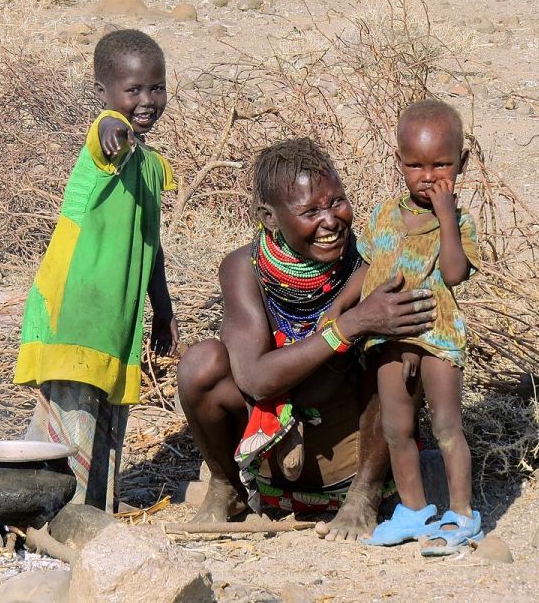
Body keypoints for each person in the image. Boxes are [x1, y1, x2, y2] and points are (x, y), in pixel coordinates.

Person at [177, 138, 436, 541]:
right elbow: (255, 380)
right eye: (310, 211)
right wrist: (349, 326)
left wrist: (369, 325)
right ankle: (229, 488)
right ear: (268, 217)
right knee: (200, 363)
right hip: (272, 456)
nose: (330, 221)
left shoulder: (370, 259)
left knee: (398, 348)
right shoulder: (244, 269)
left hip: (349, 453)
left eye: (336, 202)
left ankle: (364, 497)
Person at [13, 29, 180, 513]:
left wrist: (163, 308)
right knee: (70, 420)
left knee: (107, 419)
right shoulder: (106, 146)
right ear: (102, 93)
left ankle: (93, 514)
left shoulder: (148, 165)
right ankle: (48, 513)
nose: (147, 100)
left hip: (115, 319)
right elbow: (107, 134)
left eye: (157, 87)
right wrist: (112, 126)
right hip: (76, 311)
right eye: (132, 91)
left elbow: (152, 244)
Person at [357, 99, 483, 554]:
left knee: (447, 426)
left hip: (438, 336)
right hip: (390, 339)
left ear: (462, 163)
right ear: (398, 161)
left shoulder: (460, 222)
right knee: (397, 429)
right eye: (415, 165)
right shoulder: (381, 217)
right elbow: (365, 272)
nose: (428, 176)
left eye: (441, 164)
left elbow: (453, 273)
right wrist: (338, 318)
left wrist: (447, 216)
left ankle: (462, 515)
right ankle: (413, 510)